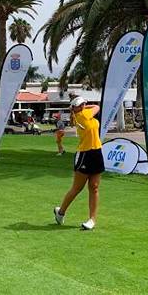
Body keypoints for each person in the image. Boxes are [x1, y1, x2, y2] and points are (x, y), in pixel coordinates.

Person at [54, 97, 103, 230]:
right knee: (77, 188)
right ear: (74, 109)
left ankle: (92, 219)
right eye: (79, 105)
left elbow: (95, 108)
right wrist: (85, 107)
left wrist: (82, 105)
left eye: (83, 104)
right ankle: (61, 212)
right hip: (84, 154)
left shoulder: (82, 113)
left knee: (94, 187)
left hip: (97, 152)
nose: (82, 106)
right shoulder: (82, 116)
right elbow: (97, 107)